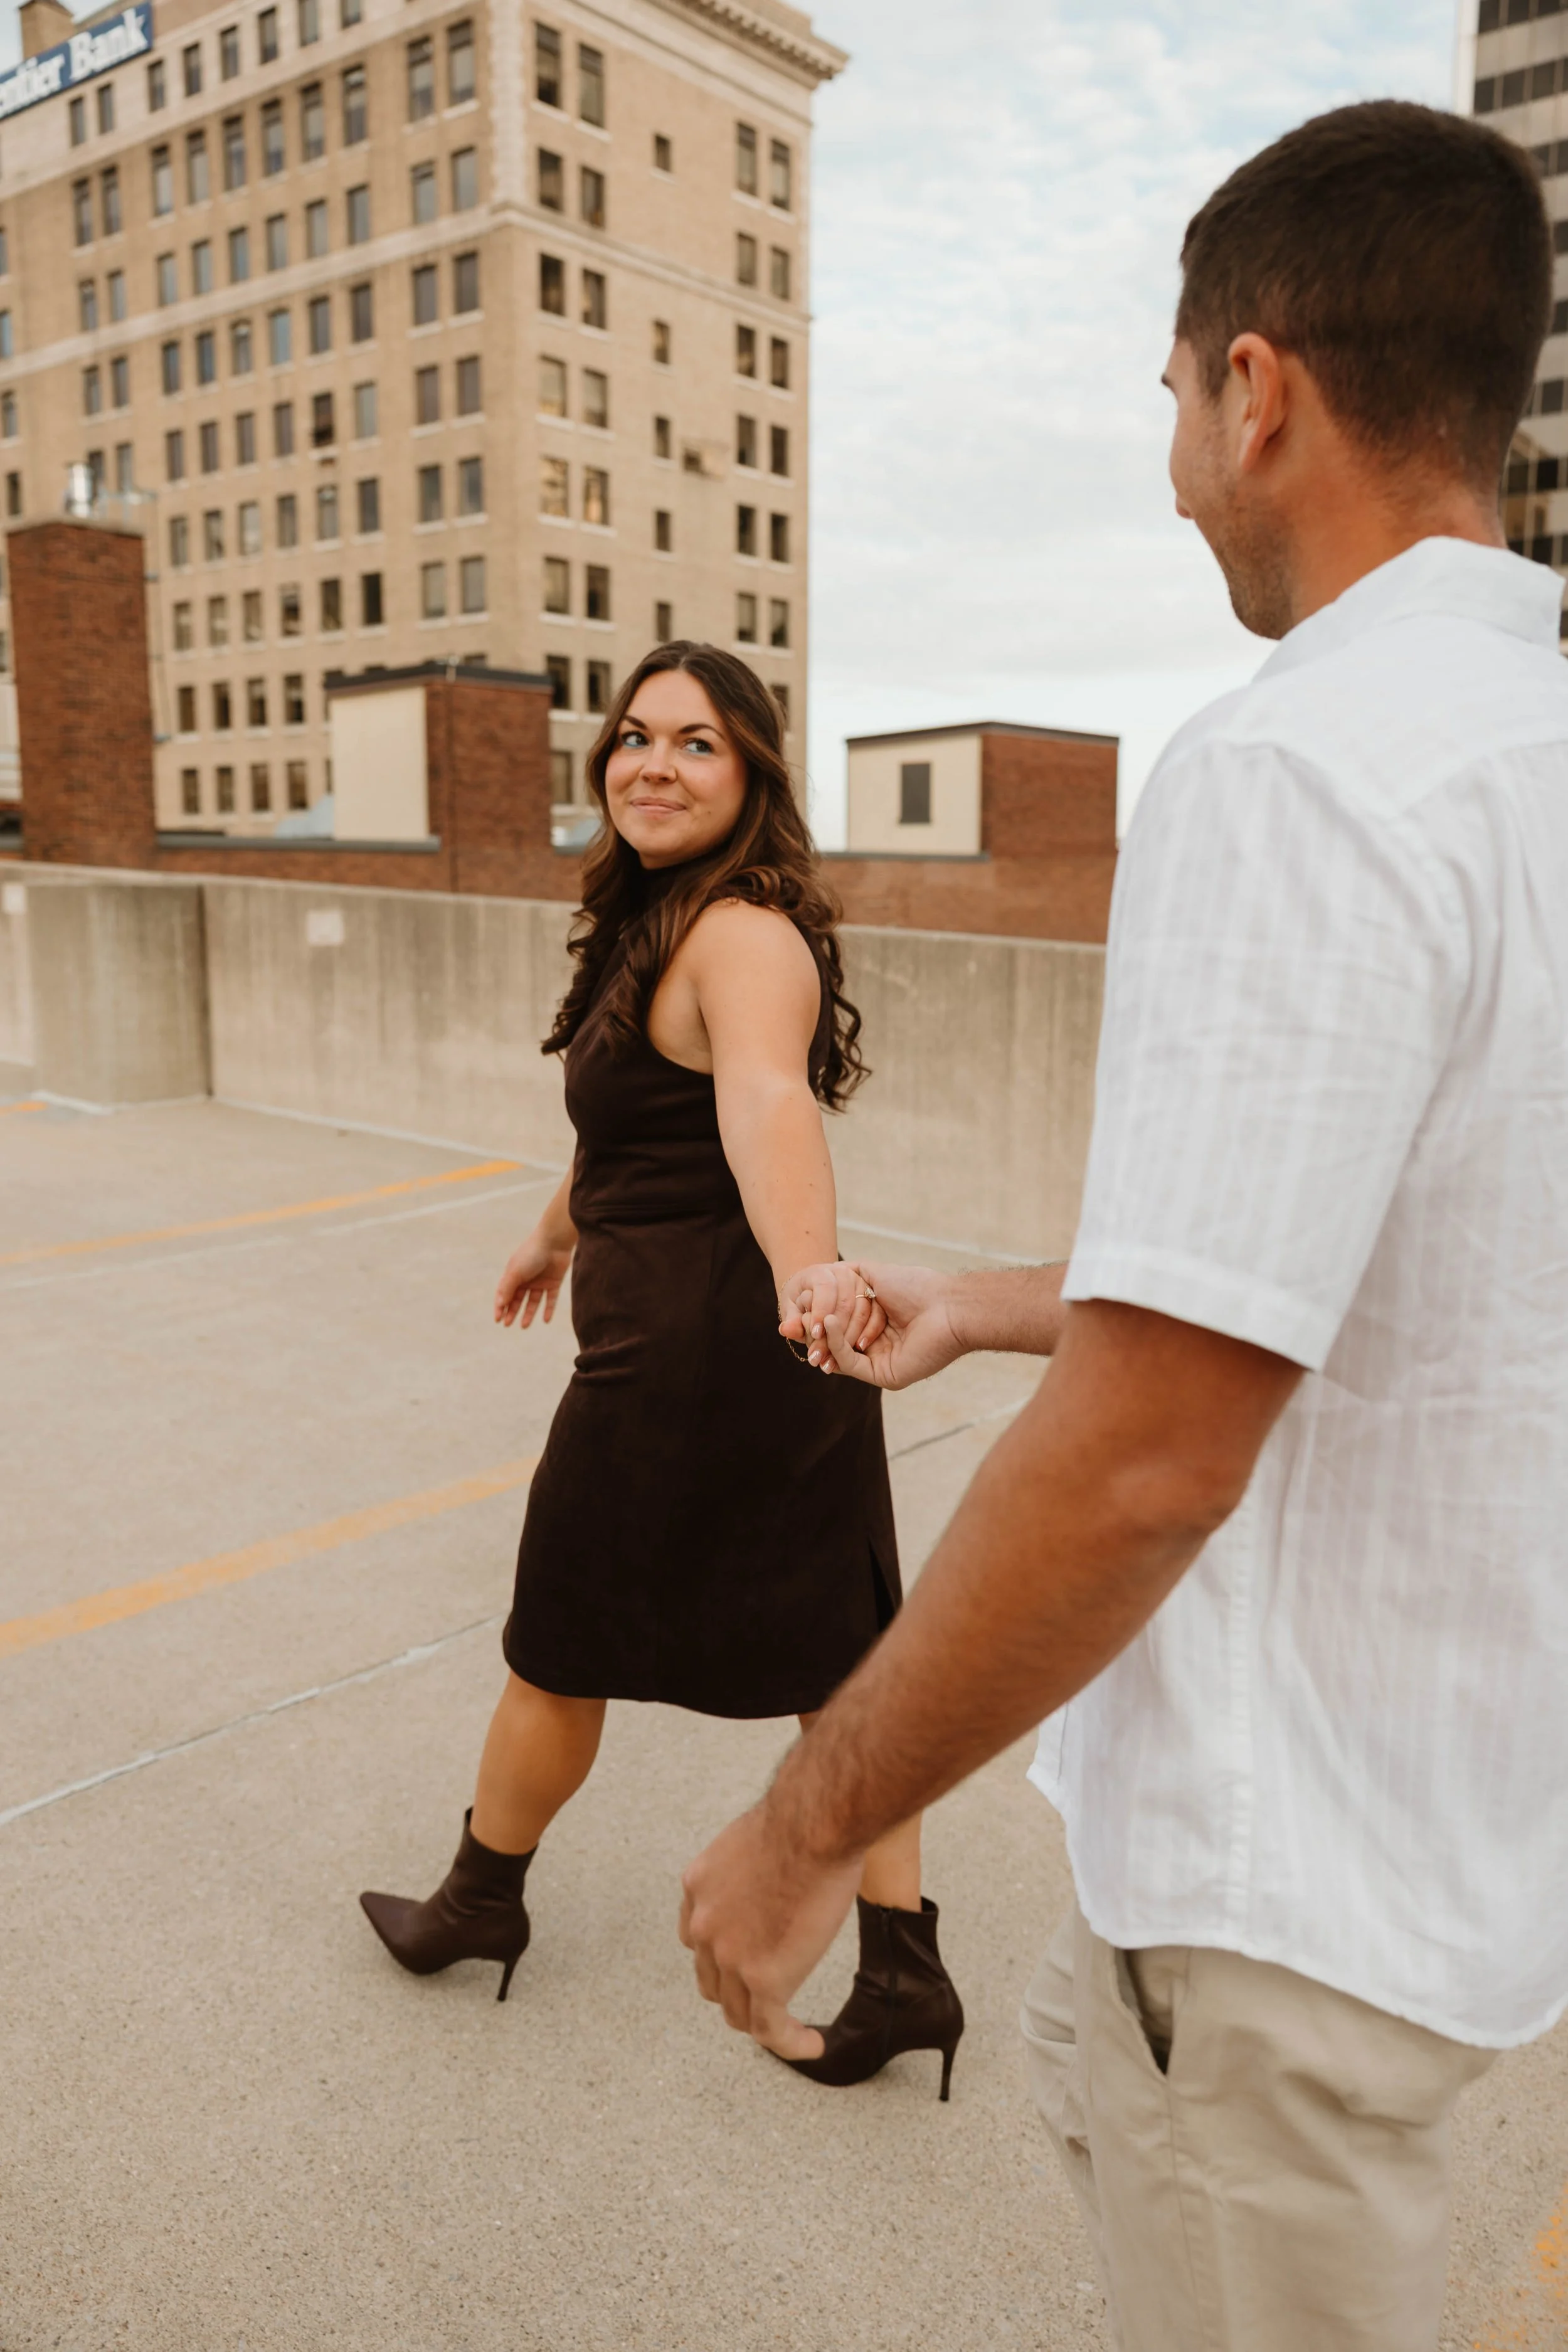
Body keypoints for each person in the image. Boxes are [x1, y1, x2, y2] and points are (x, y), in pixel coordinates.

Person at [680, 100, 1568, 2349]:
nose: (1178, 472)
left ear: (1255, 388)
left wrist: (805, 1834)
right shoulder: (1530, 744)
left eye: (1177, 403)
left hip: (1284, 1904)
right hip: (1449, 1837)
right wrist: (990, 1303)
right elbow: (1398, 1241)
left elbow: (1162, 1449)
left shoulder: (1295, 769)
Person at [359, 642, 962, 2092]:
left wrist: (812, 1277)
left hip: (703, 1353)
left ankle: (477, 1902)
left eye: (696, 744)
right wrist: (551, 1231)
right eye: (634, 737)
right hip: (715, 1343)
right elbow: (634, 1120)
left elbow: (762, 1103)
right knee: (840, 1667)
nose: (653, 764)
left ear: (750, 771)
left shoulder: (740, 931)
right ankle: (902, 1974)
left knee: (560, 1642)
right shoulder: (660, 920)